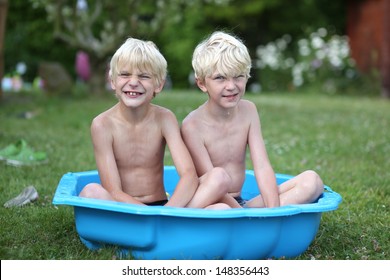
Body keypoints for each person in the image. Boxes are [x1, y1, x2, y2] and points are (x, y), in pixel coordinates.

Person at [79, 37, 233, 209]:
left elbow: (189, 175)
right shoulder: (102, 125)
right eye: (125, 74)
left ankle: (159, 229)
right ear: (113, 81)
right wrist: (149, 216)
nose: (134, 82)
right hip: (123, 210)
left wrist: (166, 213)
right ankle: (166, 230)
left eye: (144, 76)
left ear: (159, 85)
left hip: (164, 208)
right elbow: (113, 191)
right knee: (90, 191)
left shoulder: (164, 119)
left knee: (219, 180)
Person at [181, 31, 324, 208]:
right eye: (220, 78)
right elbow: (213, 182)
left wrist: (273, 211)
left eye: (238, 76)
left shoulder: (248, 110)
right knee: (222, 210)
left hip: (241, 205)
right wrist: (241, 214)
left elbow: (262, 166)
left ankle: (254, 221)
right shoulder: (192, 125)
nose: (231, 86)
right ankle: (245, 221)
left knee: (312, 181)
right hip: (211, 204)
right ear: (202, 83)